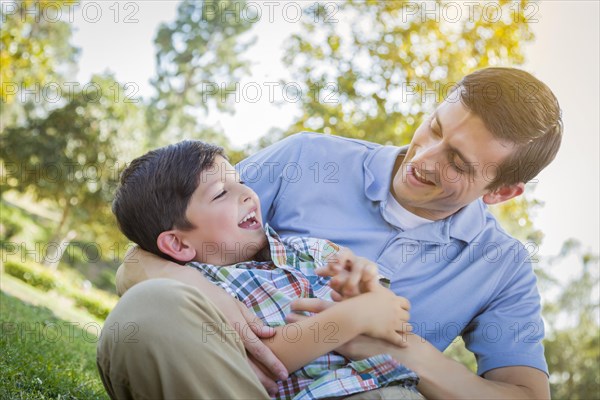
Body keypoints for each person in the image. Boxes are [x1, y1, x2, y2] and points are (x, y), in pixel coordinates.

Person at [104, 67, 563, 399]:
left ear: (502, 192)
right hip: (231, 378)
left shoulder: (502, 266)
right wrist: (203, 292)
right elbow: (152, 248)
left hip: (363, 391)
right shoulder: (307, 157)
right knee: (151, 306)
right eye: (435, 128)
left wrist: (393, 346)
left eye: (458, 162)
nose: (423, 158)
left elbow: (524, 396)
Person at [98, 140, 421, 399]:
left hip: (392, 388)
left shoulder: (306, 250)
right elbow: (265, 360)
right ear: (179, 245)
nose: (248, 195)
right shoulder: (200, 297)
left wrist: (362, 282)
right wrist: (356, 316)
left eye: (240, 181)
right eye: (222, 193)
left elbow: (384, 302)